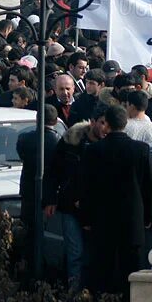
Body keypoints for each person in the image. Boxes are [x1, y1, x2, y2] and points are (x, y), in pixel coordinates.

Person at [79, 104, 152, 295]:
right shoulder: (141, 150)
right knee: (132, 271)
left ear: (107, 124)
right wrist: (147, 217)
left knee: (103, 270)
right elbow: (148, 187)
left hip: (103, 220)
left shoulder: (94, 151)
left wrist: (86, 219)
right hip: (132, 220)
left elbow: (87, 188)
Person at [52, 107, 104, 289]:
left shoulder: (108, 147)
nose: (105, 128)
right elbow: (54, 171)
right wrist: (50, 199)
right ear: (93, 121)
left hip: (97, 209)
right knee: (76, 253)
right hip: (71, 206)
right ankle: (74, 298)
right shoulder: (71, 141)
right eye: (102, 122)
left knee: (95, 255)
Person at [16, 104, 61, 274]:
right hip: (50, 192)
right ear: (55, 121)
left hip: (28, 189)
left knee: (29, 230)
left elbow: (22, 155)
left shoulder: (24, 138)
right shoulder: (58, 141)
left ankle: (29, 264)